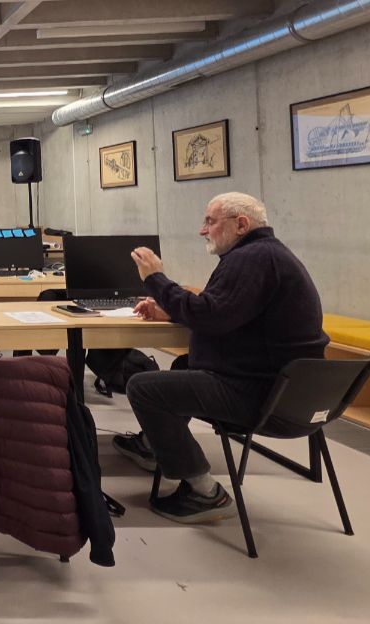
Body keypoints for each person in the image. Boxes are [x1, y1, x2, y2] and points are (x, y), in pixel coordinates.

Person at [113, 192, 329, 523]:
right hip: (291, 391)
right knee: (184, 366)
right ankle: (156, 445)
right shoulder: (266, 254)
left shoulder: (252, 259)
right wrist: (172, 310)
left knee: (144, 388)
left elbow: (210, 316)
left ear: (241, 224)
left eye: (210, 222)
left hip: (263, 396)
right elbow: (225, 312)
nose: (203, 230)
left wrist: (156, 279)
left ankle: (205, 491)